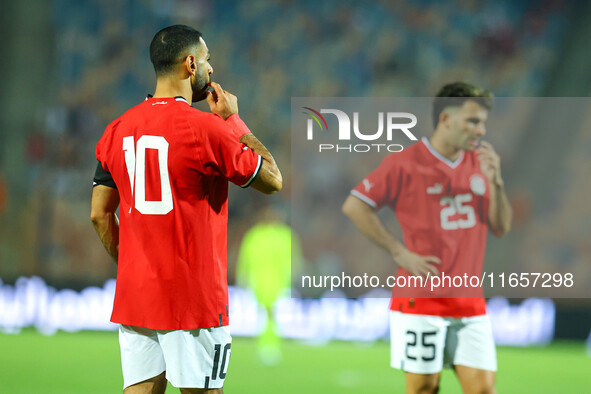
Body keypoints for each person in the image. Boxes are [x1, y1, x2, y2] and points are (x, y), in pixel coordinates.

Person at [90, 25, 282, 394]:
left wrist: (133, 267)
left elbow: (99, 214)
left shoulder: (115, 130)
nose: (212, 70)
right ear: (190, 64)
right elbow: (273, 179)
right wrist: (234, 121)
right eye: (208, 60)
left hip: (137, 296)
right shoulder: (208, 129)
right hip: (194, 301)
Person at [342, 82, 512, 394]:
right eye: (473, 121)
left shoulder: (480, 163)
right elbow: (355, 206)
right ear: (446, 119)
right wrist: (398, 252)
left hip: (469, 301)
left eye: (483, 122)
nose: (481, 130)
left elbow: (501, 226)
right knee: (424, 390)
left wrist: (497, 184)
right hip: (421, 299)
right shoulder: (405, 163)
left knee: (485, 390)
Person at [236, 206, 301, 365]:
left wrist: (242, 276)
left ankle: (268, 346)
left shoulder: (260, 234)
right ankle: (269, 347)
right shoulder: (278, 235)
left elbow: (292, 258)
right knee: (269, 315)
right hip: (265, 281)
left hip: (272, 281)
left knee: (269, 315)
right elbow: (246, 258)